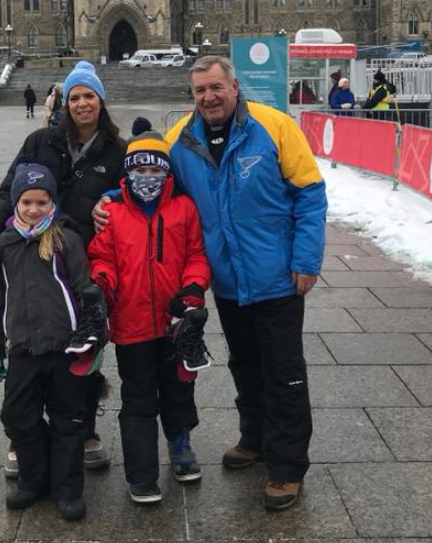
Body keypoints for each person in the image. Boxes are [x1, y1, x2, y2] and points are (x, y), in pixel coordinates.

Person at [93, 56, 327, 511]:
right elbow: (145, 177)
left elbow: (310, 193)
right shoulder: (181, 137)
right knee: (245, 365)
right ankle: (254, 439)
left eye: (216, 87)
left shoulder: (274, 126)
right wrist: (107, 201)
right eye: (200, 90)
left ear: (234, 86)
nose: (208, 97)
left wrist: (305, 259)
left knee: (284, 372)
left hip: (276, 276)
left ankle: (286, 467)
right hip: (226, 283)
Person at [0, 60, 126, 478]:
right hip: (33, 259)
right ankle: (24, 437)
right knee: (31, 347)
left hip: (85, 261)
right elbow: (10, 189)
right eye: (75, 96)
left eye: (89, 96)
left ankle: (84, 429)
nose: (82, 104)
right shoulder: (41, 140)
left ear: (101, 101)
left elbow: (132, 189)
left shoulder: (116, 150)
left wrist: (112, 196)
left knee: (84, 349)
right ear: (64, 101)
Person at [88, 120, 211, 504]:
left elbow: (196, 255)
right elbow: (102, 257)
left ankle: (180, 445)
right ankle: (141, 472)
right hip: (131, 323)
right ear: (128, 173)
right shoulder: (113, 213)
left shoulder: (184, 208)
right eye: (140, 170)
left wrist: (193, 288)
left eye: (155, 169)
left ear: (167, 171)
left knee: (179, 388)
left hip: (177, 322)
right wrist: (103, 285)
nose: (148, 176)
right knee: (138, 397)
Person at [0, 162, 103, 520]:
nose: (34, 209)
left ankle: (67, 486)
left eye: (42, 202)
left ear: (52, 203)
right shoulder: (4, 244)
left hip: (66, 347)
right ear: (16, 204)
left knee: (69, 419)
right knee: (18, 416)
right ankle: (35, 480)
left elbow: (87, 292)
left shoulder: (67, 238)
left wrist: (95, 342)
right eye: (27, 202)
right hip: (23, 348)